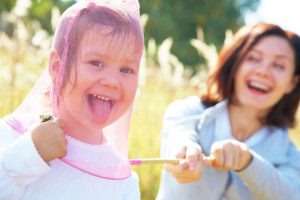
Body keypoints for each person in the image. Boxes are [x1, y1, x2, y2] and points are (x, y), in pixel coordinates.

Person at [0, 0, 144, 199]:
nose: (112, 81)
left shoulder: (123, 182)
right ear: (57, 67)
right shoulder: (12, 136)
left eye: (126, 69)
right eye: (97, 63)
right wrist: (29, 154)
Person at [156, 22, 300, 200]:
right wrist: (184, 154)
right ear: (235, 64)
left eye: (278, 65)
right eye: (253, 58)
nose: (263, 71)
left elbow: (291, 195)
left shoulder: (291, 155)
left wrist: (247, 162)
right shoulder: (187, 111)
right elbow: (177, 138)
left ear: (292, 83)